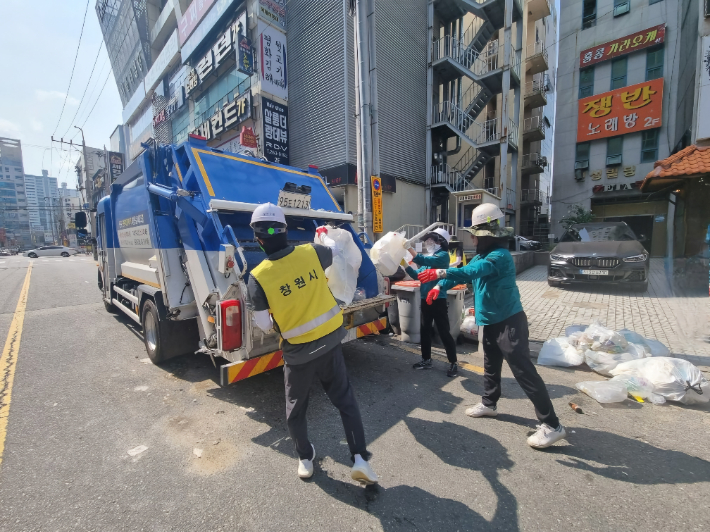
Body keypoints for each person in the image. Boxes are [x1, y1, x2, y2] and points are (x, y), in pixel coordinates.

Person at [247, 203, 378, 484]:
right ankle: (359, 459)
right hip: (331, 342)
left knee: (295, 410)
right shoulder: (312, 252)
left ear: (258, 239)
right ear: (285, 230)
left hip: (298, 355)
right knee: (346, 402)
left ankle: (305, 459)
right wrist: (325, 234)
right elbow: (335, 252)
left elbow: (264, 325)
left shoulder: (257, 278)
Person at [418, 205, 567, 449]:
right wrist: (438, 286)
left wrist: (439, 273)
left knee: (523, 371)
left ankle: (552, 425)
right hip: (490, 321)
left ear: (487, 235)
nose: (473, 239)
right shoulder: (482, 255)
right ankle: (489, 404)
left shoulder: (499, 256)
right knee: (490, 365)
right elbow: (463, 274)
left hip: (509, 322)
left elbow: (475, 270)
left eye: (475, 235)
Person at [403, 227, 459, 377]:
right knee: (425, 330)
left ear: (440, 242)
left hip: (438, 299)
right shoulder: (431, 258)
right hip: (424, 299)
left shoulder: (442, 257)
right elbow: (417, 276)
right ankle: (426, 359)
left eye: (431, 240)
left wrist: (409, 248)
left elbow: (422, 259)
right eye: (427, 240)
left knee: (443, 331)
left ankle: (453, 363)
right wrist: (405, 265)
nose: (427, 243)